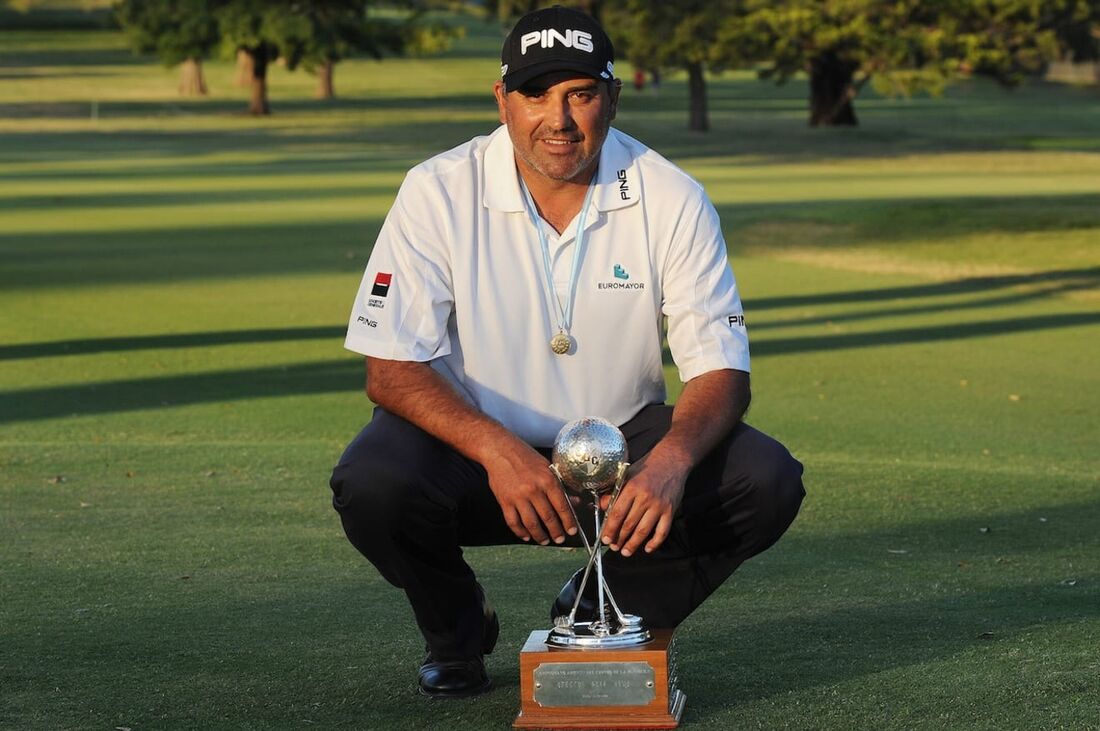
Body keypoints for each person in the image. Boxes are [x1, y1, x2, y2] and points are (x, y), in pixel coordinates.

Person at [329, 5, 805, 699]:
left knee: (765, 478)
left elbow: (722, 369)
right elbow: (390, 366)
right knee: (372, 483)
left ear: (612, 98)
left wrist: (670, 462)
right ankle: (458, 629)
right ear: (502, 101)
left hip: (621, 452)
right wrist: (498, 451)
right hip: (477, 456)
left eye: (580, 93)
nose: (559, 118)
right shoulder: (436, 190)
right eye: (536, 94)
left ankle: (596, 610)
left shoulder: (672, 195)